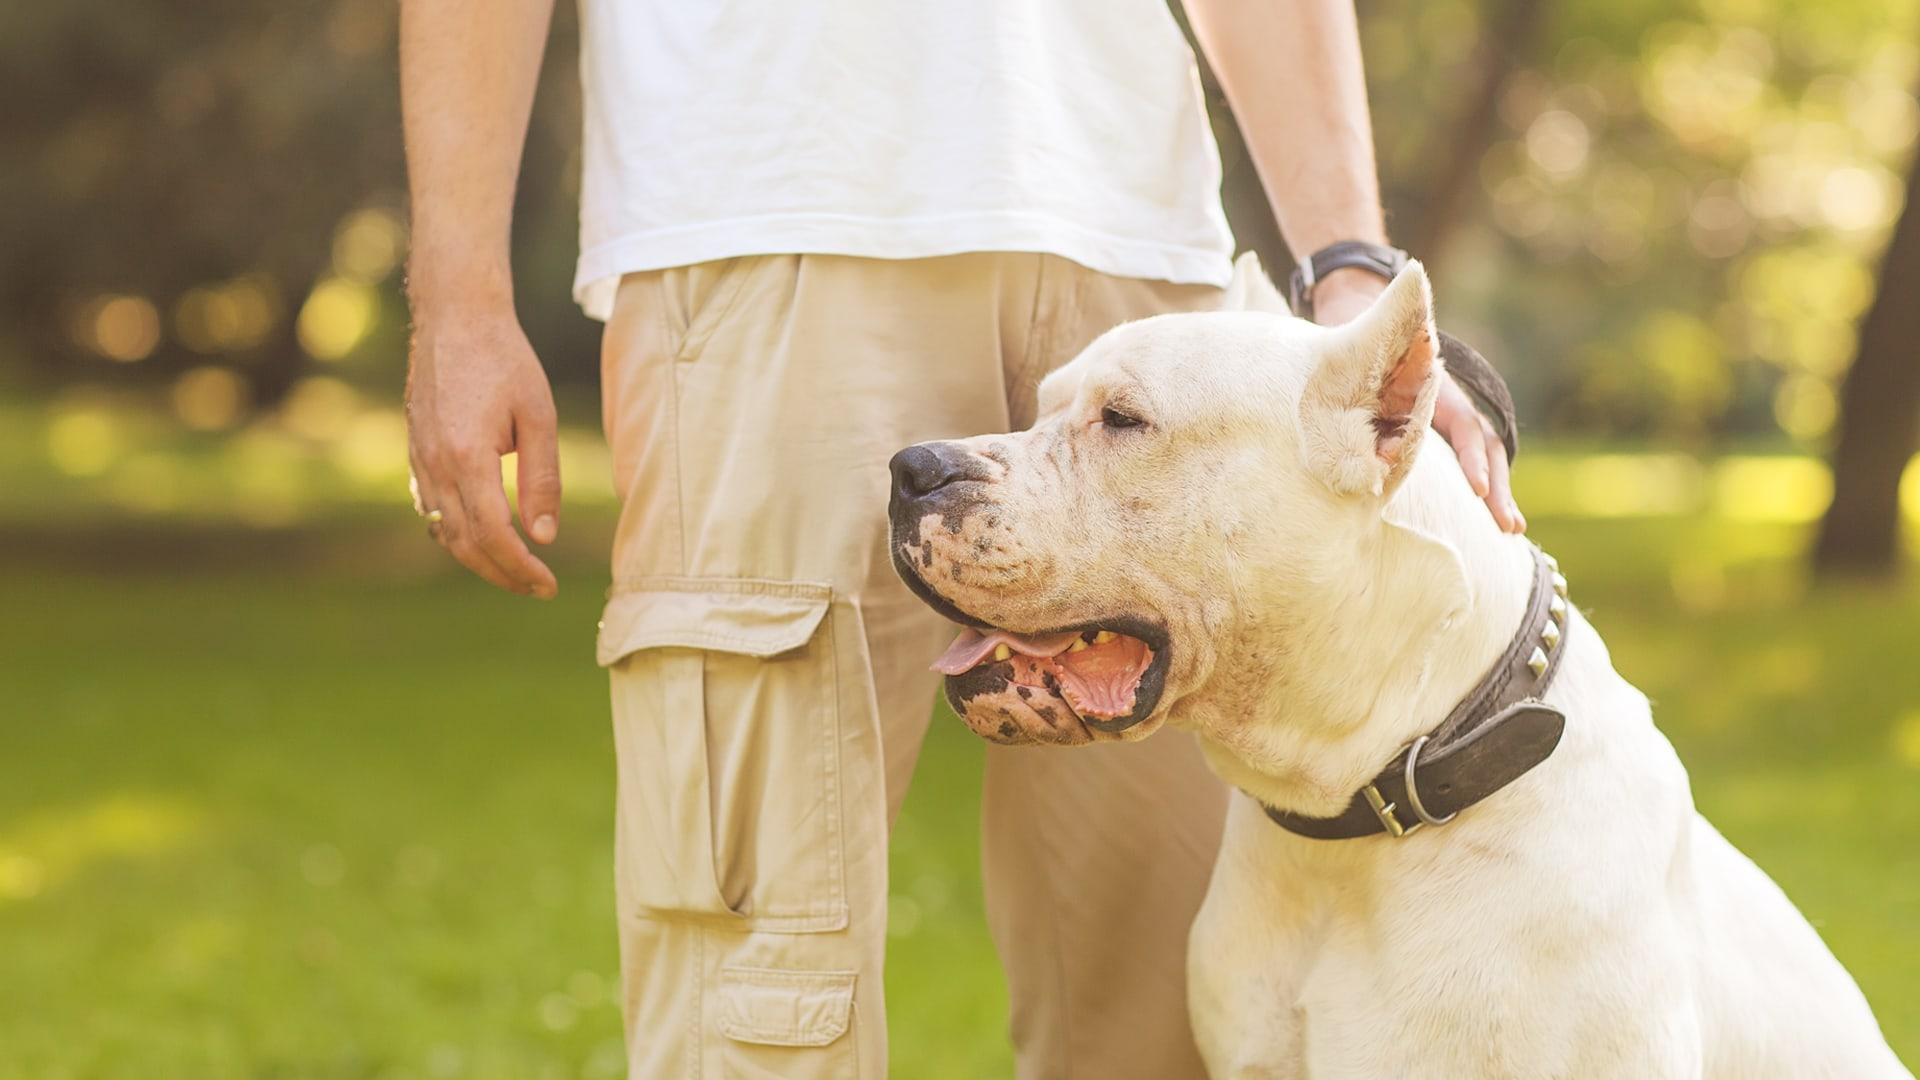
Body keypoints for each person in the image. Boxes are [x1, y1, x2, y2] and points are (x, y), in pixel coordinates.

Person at [398, 1, 1525, 1076]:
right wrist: (458, 296)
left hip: (1143, 254)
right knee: (758, 993)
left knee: (1172, 997)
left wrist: (1349, 266)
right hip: (773, 215)